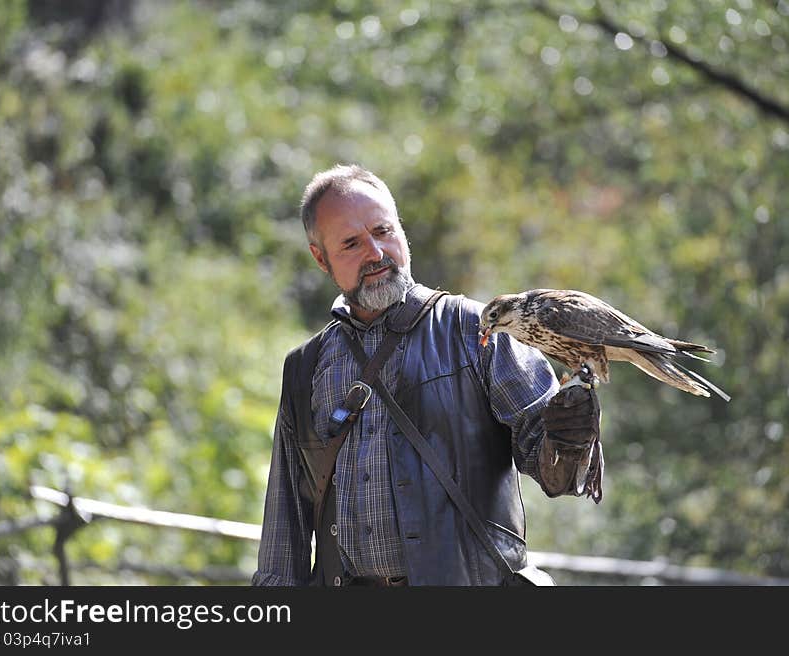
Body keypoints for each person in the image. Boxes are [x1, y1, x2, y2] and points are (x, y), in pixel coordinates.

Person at [252, 164, 602, 586]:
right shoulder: (305, 367)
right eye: (351, 244)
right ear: (321, 258)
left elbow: (556, 473)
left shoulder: (478, 331)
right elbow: (283, 528)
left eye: (383, 231)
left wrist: (569, 436)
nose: (376, 253)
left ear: (401, 229)